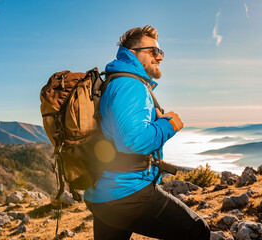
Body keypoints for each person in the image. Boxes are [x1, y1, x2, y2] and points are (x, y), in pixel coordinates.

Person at [84, 25, 211, 240]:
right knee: (197, 231)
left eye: (160, 52)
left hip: (102, 193)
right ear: (134, 53)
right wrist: (170, 124)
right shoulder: (130, 85)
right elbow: (132, 141)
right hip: (128, 193)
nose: (159, 57)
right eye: (154, 51)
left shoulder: (115, 81)